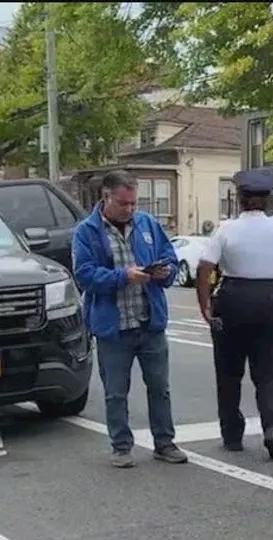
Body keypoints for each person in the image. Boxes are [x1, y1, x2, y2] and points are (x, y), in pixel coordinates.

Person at [72, 170, 188, 468]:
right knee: (115, 392)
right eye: (123, 204)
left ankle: (164, 443)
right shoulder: (87, 231)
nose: (130, 209)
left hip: (149, 322)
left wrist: (165, 272)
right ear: (106, 197)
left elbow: (169, 256)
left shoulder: (147, 223)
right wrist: (123, 276)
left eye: (133, 203)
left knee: (159, 387)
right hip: (114, 326)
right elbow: (84, 275)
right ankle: (121, 447)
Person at [195, 169, 273, 459]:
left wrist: (204, 305)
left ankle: (232, 434)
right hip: (272, 298)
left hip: (233, 298)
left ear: (239, 198)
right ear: (267, 199)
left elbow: (204, 267)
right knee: (267, 371)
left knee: (228, 372)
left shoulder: (226, 229)